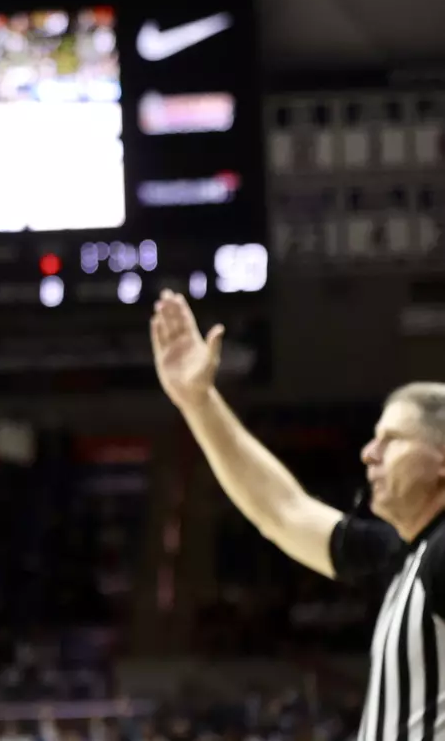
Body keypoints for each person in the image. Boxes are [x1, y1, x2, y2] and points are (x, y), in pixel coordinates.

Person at [149, 290, 445, 741]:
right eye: (373, 439)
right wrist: (199, 402)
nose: (369, 454)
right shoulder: (402, 558)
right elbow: (283, 511)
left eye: (393, 440)